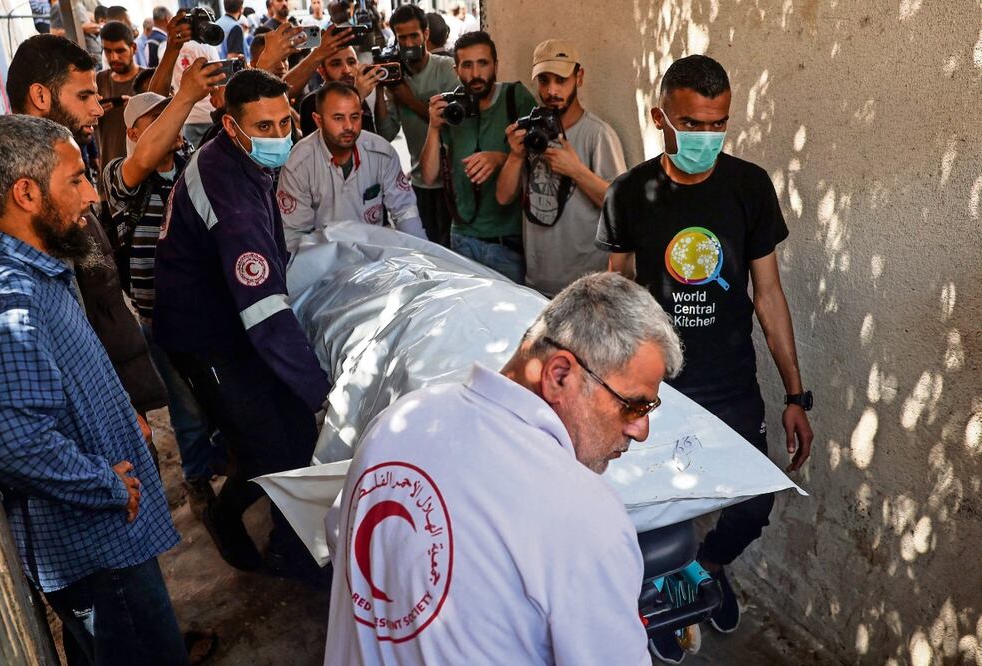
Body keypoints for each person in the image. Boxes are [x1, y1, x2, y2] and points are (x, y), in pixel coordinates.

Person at [324, 272, 679, 664]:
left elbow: (340, 533)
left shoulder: (400, 419)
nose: (641, 430)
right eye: (633, 405)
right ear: (559, 375)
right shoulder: (588, 521)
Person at [597, 54, 814, 660]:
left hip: (731, 385)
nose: (706, 138)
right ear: (660, 117)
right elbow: (618, 294)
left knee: (755, 502)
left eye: (718, 124)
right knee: (650, 509)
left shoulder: (748, 187)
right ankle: (658, 594)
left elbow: (767, 296)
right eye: (692, 124)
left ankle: (710, 568)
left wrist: (796, 395)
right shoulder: (629, 193)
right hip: (657, 391)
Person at [0, 113, 186, 666]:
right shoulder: (9, 295)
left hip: (107, 546)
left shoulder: (37, 270)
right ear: (26, 193)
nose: (92, 194)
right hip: (96, 555)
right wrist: (106, 485)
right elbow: (12, 440)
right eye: (75, 179)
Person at [153, 69, 332, 578]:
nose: (279, 137)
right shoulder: (229, 193)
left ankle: (291, 540)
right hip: (207, 339)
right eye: (265, 127)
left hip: (234, 321)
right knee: (265, 449)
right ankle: (231, 520)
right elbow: (265, 311)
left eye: (284, 122)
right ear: (232, 127)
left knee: (294, 432)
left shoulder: (237, 154)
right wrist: (318, 388)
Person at [6, 34, 168, 420]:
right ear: (42, 97)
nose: (98, 108)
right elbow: (70, 328)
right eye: (83, 96)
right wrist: (117, 410)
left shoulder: (59, 166)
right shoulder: (27, 195)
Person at [103, 62, 226, 511]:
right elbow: (141, 161)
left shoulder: (193, 163)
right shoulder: (121, 178)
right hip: (161, 318)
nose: (169, 124)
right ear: (135, 134)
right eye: (153, 121)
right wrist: (184, 99)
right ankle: (197, 479)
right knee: (188, 406)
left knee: (220, 392)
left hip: (210, 307)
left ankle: (221, 461)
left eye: (168, 116)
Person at [496, 39, 625, 297]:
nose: (552, 90)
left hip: (586, 286)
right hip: (537, 280)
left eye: (561, 80)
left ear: (579, 77)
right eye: (544, 81)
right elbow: (503, 197)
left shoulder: (597, 134)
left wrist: (576, 170)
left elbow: (621, 207)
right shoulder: (532, 133)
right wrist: (514, 156)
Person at [420, 31, 536, 283]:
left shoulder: (515, 98)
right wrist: (434, 127)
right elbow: (429, 177)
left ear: (496, 65)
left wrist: (500, 159)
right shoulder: (453, 109)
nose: (475, 74)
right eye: (467, 65)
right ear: (456, 70)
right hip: (462, 237)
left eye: (483, 63)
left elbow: (539, 161)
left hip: (507, 241)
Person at [277, 81, 424, 251]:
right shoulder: (299, 164)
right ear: (318, 120)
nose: (348, 126)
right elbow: (294, 235)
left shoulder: (382, 154)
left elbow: (405, 211)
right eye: (338, 118)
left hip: (373, 259)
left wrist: (422, 254)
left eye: (354, 117)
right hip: (322, 263)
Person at [375, 4, 459, 246]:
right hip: (420, 184)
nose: (409, 42)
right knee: (429, 250)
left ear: (426, 34)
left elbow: (450, 121)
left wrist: (407, 98)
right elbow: (387, 132)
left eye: (414, 35)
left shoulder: (445, 69)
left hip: (451, 182)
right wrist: (381, 90)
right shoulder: (398, 76)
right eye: (402, 37)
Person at [96, 21, 144, 182]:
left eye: (120, 51)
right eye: (107, 51)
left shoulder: (149, 80)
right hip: (110, 173)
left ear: (134, 48)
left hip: (143, 172)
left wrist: (138, 107)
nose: (113, 57)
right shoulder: (99, 81)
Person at [170, 35, 222, 147]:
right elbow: (219, 77)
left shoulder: (169, 49)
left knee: (191, 157)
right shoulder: (208, 48)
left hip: (186, 113)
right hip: (208, 110)